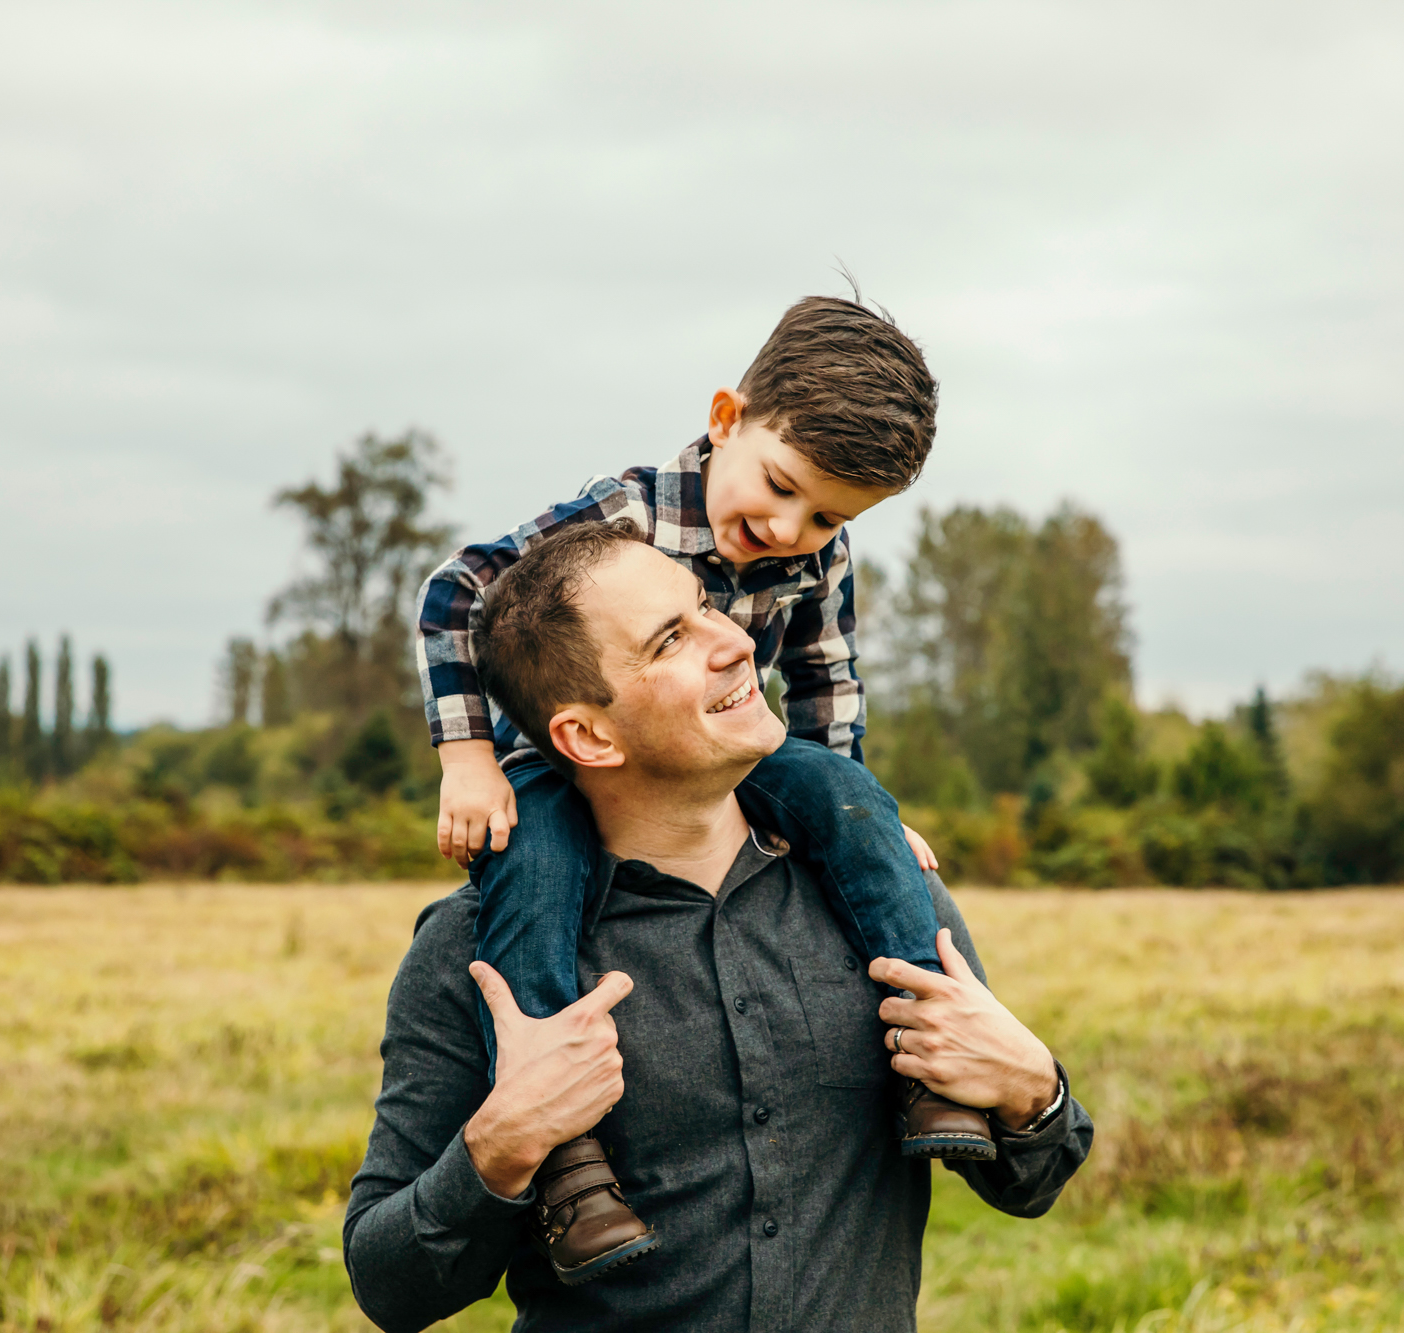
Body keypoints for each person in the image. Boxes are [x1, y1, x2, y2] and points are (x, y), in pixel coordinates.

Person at [347, 522, 1092, 1331]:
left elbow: (1031, 1184)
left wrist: (1032, 1089)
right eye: (671, 639)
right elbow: (388, 1285)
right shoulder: (472, 953)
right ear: (588, 736)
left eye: (707, 605)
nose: (736, 641)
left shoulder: (888, 900)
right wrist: (501, 1144)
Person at [415, 297, 989, 1264]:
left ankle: (935, 1057)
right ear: (726, 418)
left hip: (742, 751)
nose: (791, 527)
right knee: (537, 869)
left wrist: (859, 818)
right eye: (781, 486)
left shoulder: (819, 553)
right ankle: (568, 1157)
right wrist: (467, 754)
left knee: (858, 807)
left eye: (829, 516)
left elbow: (826, 678)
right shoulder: (628, 514)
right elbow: (457, 588)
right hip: (562, 764)